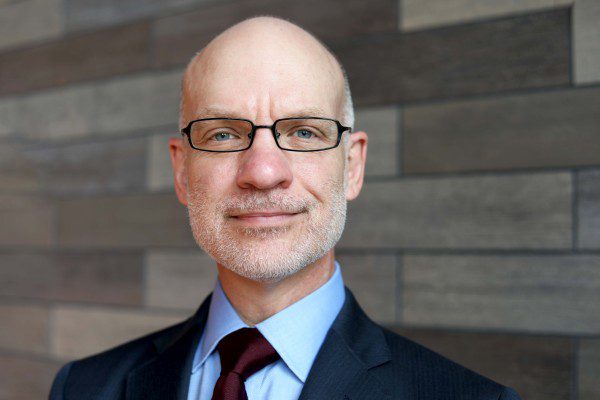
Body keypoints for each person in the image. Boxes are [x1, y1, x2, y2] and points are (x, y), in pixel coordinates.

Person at [49, 16, 521, 400]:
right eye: (223, 134)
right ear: (181, 172)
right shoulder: (84, 389)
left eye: (304, 132)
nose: (263, 171)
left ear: (352, 166)